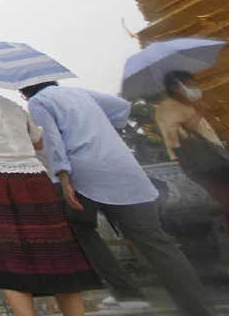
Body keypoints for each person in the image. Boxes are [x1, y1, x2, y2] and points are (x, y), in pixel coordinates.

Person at [25, 81, 216, 316]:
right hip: (124, 167)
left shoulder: (38, 102)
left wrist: (63, 179)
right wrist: (101, 128)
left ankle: (126, 292)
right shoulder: (81, 92)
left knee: (77, 227)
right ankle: (200, 309)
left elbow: (53, 143)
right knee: (157, 242)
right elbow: (121, 107)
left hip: (85, 173)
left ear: (24, 90)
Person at [0, 84, 98, 316]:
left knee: (10, 256)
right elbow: (38, 143)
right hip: (35, 178)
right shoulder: (13, 105)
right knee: (59, 253)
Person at [155, 71, 229, 214]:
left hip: (213, 154)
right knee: (224, 195)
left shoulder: (188, 104)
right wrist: (199, 113)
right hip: (198, 159)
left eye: (195, 84)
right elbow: (180, 135)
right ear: (175, 88)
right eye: (190, 84)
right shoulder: (168, 107)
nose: (195, 87)